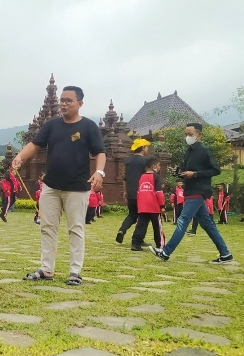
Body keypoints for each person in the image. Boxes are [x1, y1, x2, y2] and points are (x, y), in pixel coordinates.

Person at [14, 86, 106, 286]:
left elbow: (100, 152)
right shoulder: (51, 125)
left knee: (76, 228)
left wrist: (99, 172)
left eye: (69, 101)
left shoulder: (89, 127)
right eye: (62, 100)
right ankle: (46, 269)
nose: (64, 104)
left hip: (77, 187)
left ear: (80, 103)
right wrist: (20, 157)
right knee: (47, 227)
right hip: (51, 187)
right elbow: (35, 144)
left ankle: (75, 272)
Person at [150, 123, 233, 264]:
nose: (187, 137)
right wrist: (179, 173)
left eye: (190, 134)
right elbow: (185, 172)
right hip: (189, 190)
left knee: (182, 221)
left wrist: (195, 174)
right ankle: (225, 254)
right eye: (186, 134)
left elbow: (216, 170)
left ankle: (165, 252)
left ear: (198, 135)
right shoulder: (188, 151)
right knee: (208, 224)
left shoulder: (205, 151)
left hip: (199, 190)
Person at [116, 139, 150, 244]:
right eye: (147, 147)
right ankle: (138, 239)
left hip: (130, 192)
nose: (148, 149)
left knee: (132, 215)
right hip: (143, 192)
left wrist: (125, 191)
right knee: (144, 217)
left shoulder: (128, 161)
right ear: (143, 148)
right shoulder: (146, 161)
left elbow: (124, 178)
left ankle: (122, 230)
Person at [131, 156, 166, 251]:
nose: (159, 167)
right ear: (154, 166)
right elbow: (159, 193)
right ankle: (161, 245)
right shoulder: (156, 177)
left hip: (143, 206)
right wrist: (162, 206)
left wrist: (139, 204)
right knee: (157, 227)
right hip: (154, 206)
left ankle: (135, 244)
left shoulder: (141, 177)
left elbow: (139, 192)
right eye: (159, 165)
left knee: (141, 225)